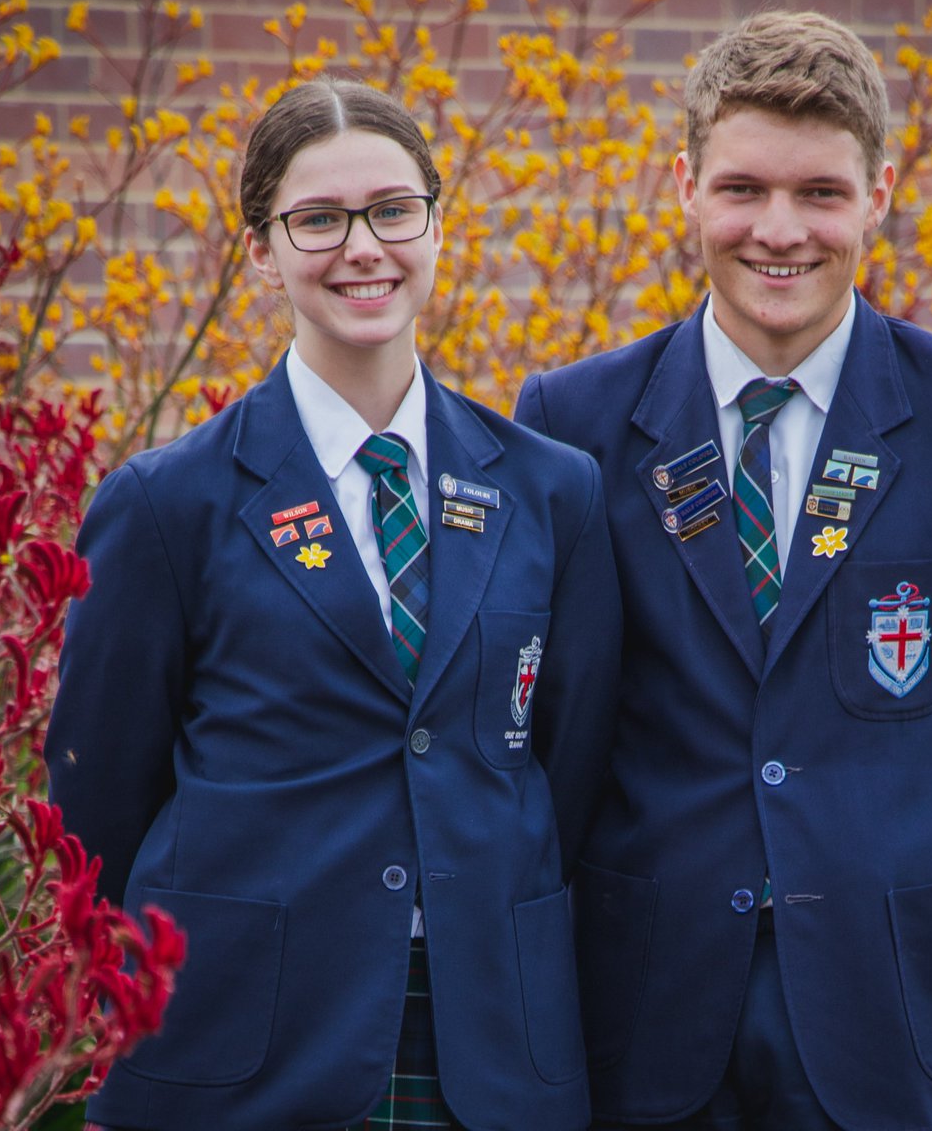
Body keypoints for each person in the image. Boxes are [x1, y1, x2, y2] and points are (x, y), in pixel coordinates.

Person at [514, 9, 932, 1131]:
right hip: (643, 1000)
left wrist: (920, 909)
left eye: (821, 192)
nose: (780, 231)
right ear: (684, 187)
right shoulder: (572, 421)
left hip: (882, 1005)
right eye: (743, 189)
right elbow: (555, 735)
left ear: (877, 196)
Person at [46, 76, 621, 1131]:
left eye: (393, 210)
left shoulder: (553, 489)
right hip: (242, 1045)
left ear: (437, 222)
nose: (364, 247)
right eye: (318, 220)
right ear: (261, 249)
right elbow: (99, 805)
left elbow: (566, 769)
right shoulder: (167, 504)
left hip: (488, 1038)